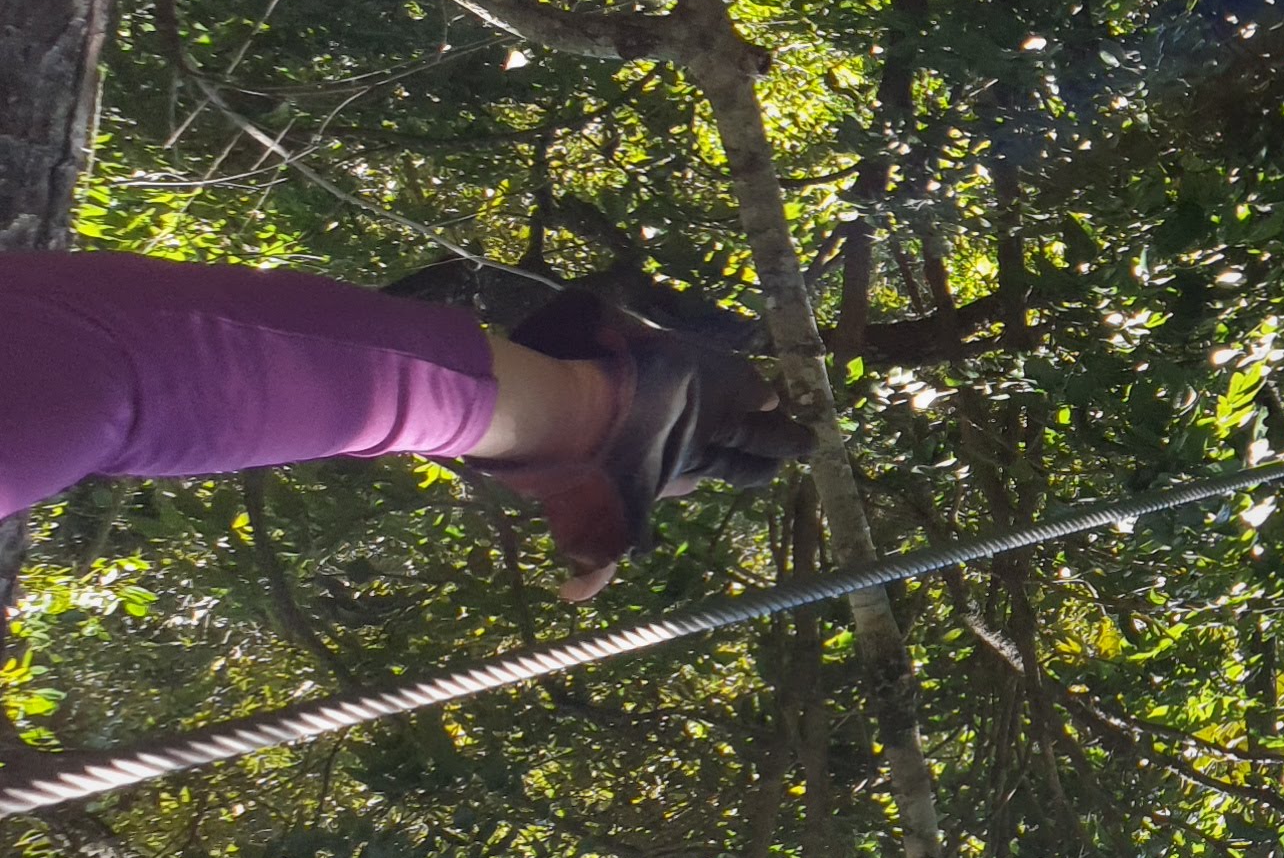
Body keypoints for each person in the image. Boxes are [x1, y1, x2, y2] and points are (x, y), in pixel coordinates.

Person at [0, 251, 804, 603]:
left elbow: (136, 357)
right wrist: (591, 417)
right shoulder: (72, 382)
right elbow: (142, 363)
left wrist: (591, 414)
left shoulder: (64, 374)